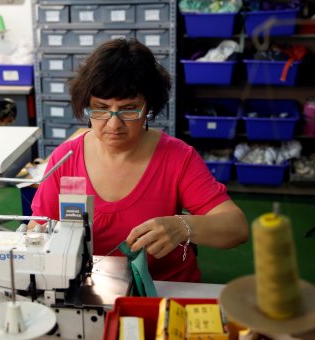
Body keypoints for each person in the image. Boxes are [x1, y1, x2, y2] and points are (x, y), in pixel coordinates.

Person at [30, 38, 248, 282]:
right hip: (91, 287)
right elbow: (38, 229)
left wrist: (183, 227)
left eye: (129, 109)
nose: (114, 124)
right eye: (100, 108)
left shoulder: (177, 158)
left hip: (164, 289)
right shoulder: (65, 160)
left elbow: (236, 227)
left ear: (148, 107)